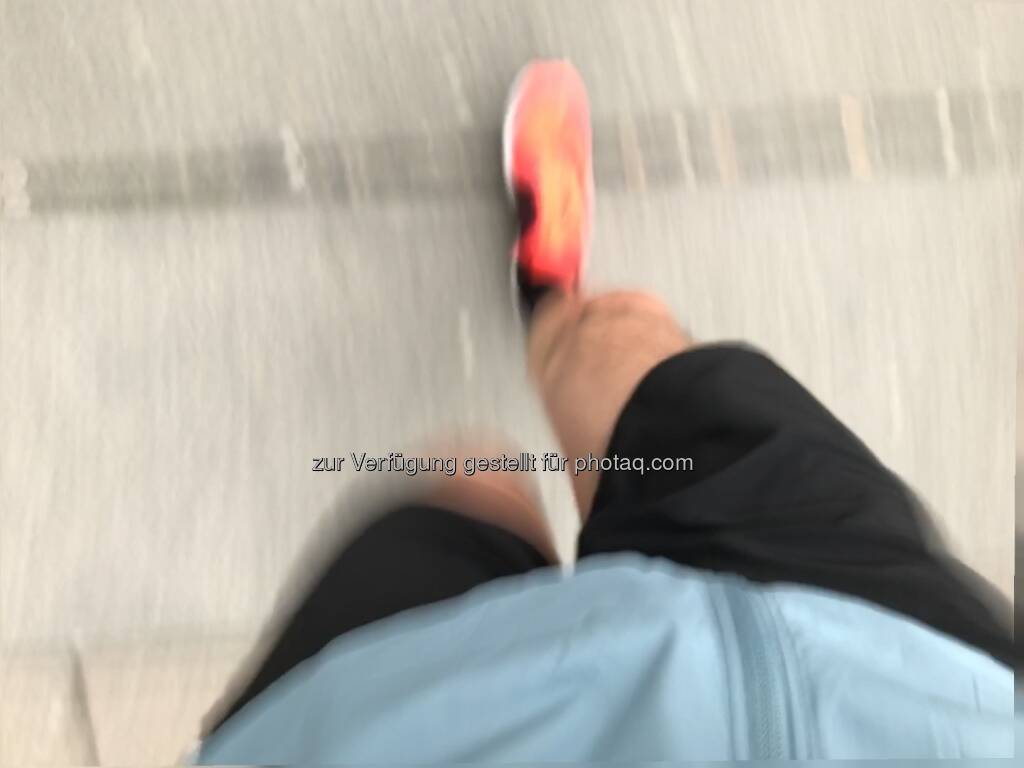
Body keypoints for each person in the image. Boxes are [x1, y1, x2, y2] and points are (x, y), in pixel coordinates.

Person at [197, 60, 1015, 762]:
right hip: (894, 666)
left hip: (390, 728)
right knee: (623, 350)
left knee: (472, 479)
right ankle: (552, 293)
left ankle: (549, 352)